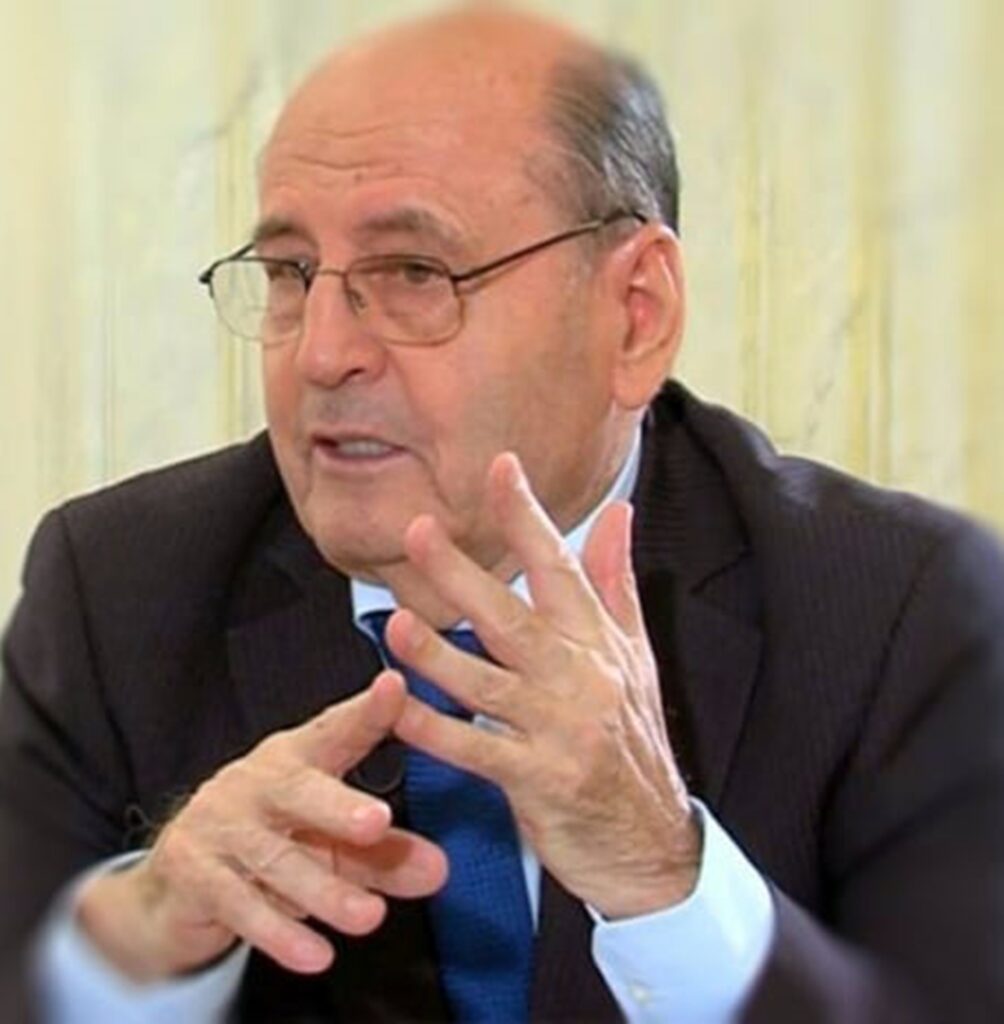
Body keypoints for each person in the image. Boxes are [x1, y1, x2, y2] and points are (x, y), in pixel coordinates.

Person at [2, 6, 1004, 1023]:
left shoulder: (900, 612)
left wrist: (665, 882)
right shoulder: (117, 587)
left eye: (413, 273)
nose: (321, 354)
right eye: (291, 274)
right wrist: (134, 944)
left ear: (635, 315)